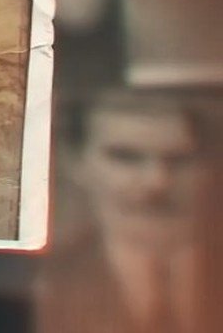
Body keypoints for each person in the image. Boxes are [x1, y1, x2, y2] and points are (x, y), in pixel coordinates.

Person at [37, 92, 217, 333]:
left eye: (180, 160)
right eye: (127, 157)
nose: (157, 183)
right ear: (76, 162)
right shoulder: (39, 282)